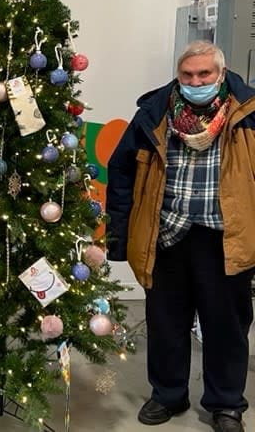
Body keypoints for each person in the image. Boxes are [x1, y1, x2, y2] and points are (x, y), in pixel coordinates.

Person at [106, 40, 255, 432]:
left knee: (227, 327)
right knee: (166, 324)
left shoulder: (249, 112)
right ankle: (168, 394)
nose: (196, 82)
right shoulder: (153, 114)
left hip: (226, 238)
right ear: (178, 75)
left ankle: (226, 404)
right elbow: (121, 172)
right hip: (166, 235)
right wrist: (118, 237)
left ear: (221, 73)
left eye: (204, 74)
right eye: (188, 75)